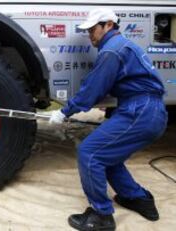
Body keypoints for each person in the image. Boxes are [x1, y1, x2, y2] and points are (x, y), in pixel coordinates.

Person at [49, 8, 168, 231]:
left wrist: (65, 111)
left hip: (140, 111)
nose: (90, 35)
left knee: (90, 153)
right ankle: (138, 198)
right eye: (88, 30)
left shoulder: (112, 50)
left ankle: (101, 215)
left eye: (93, 29)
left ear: (109, 25)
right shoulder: (121, 46)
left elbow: (93, 89)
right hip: (146, 110)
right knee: (107, 157)